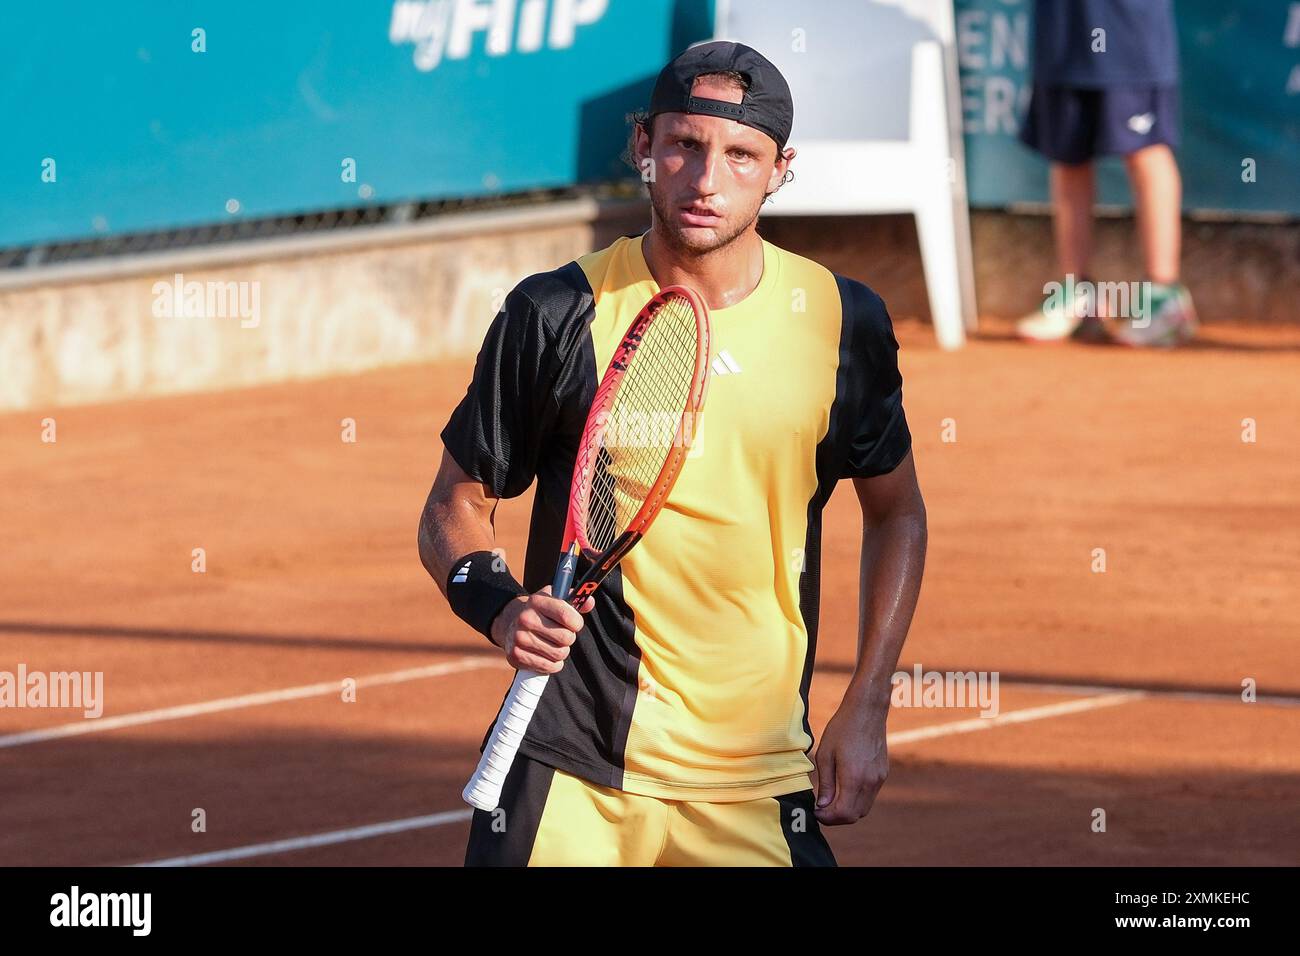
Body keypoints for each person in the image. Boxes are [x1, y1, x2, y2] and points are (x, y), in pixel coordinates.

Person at [418, 41, 927, 866]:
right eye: (684, 145)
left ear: (780, 168)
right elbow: (455, 504)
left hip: (759, 774)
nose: (706, 179)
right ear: (642, 146)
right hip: (573, 768)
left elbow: (897, 511)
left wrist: (867, 702)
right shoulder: (556, 312)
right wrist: (499, 605)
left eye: (740, 156)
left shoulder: (842, 319)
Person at [1017, 0, 1197, 346]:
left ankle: (1163, 299)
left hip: (1130, 34)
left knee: (1146, 151)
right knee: (1067, 155)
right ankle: (1077, 295)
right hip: (1061, 35)